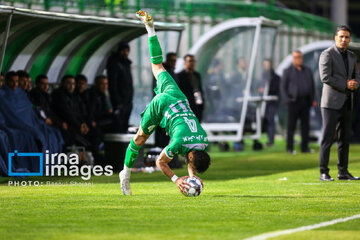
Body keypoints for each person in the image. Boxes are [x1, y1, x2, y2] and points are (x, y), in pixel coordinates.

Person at [119, 11, 211, 196]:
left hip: (177, 97)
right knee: (139, 139)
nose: (190, 162)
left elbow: (190, 157)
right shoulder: (178, 143)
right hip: (162, 105)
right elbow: (160, 162)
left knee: (158, 66)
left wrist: (192, 177)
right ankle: (125, 174)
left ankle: (150, 28)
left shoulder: (203, 141)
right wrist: (177, 180)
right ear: (192, 156)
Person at [318, 25, 359, 181]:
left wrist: (356, 84)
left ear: (349, 39)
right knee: (327, 138)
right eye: (341, 36)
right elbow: (325, 77)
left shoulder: (352, 56)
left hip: (347, 101)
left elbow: (357, 75)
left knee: (345, 139)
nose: (344, 39)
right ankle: (323, 172)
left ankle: (343, 172)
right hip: (330, 103)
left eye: (346, 37)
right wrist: (345, 85)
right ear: (335, 38)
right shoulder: (327, 54)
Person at [281, 50, 316, 154]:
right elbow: (283, 88)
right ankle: (290, 148)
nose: (298, 59)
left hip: (305, 102)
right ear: (292, 58)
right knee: (291, 126)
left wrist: (312, 99)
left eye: (299, 57)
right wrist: (287, 100)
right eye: (296, 57)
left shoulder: (307, 70)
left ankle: (304, 148)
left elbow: (312, 86)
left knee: (305, 126)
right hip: (293, 102)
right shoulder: (287, 71)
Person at [106, 41, 133, 133]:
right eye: (123, 50)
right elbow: (112, 84)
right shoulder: (114, 63)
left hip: (127, 101)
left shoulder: (126, 64)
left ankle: (123, 145)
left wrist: (129, 100)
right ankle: (117, 145)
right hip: (119, 101)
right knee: (118, 124)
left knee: (124, 124)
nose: (125, 53)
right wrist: (117, 101)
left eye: (127, 50)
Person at [153, 52, 177, 148]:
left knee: (166, 132)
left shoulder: (172, 72)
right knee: (161, 131)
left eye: (175, 60)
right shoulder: (164, 73)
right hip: (163, 106)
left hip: (170, 107)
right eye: (171, 60)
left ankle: (162, 152)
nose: (173, 62)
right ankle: (159, 152)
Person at [176, 54, 205, 122]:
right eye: (190, 61)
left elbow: (199, 89)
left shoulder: (197, 75)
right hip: (186, 106)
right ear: (185, 62)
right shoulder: (180, 76)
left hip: (197, 105)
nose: (192, 63)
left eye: (193, 61)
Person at [258, 59, 280, 147]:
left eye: (267, 64)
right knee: (266, 120)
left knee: (271, 120)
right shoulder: (263, 76)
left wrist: (267, 90)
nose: (266, 66)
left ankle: (271, 140)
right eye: (265, 64)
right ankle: (268, 139)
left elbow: (276, 89)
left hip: (271, 102)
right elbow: (259, 86)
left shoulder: (275, 77)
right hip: (264, 102)